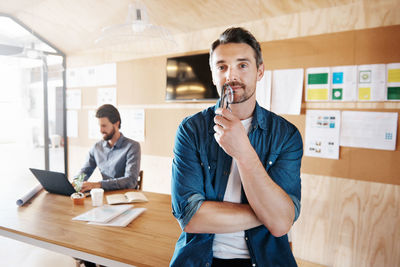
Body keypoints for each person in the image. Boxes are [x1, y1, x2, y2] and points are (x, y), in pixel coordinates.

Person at [170, 27, 303, 267]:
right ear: (213, 75)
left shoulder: (286, 135)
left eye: (242, 65)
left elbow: (282, 224)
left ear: (259, 71)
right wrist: (268, 213)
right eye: (222, 67)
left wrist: (243, 150)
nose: (231, 75)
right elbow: (191, 218)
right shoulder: (191, 130)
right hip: (201, 260)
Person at [75, 104, 141, 192]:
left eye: (104, 126)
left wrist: (98, 184)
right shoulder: (96, 147)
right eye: (99, 126)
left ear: (116, 124)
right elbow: (85, 171)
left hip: (126, 198)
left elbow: (130, 181)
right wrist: (76, 182)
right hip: (105, 197)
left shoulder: (132, 147)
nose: (101, 130)